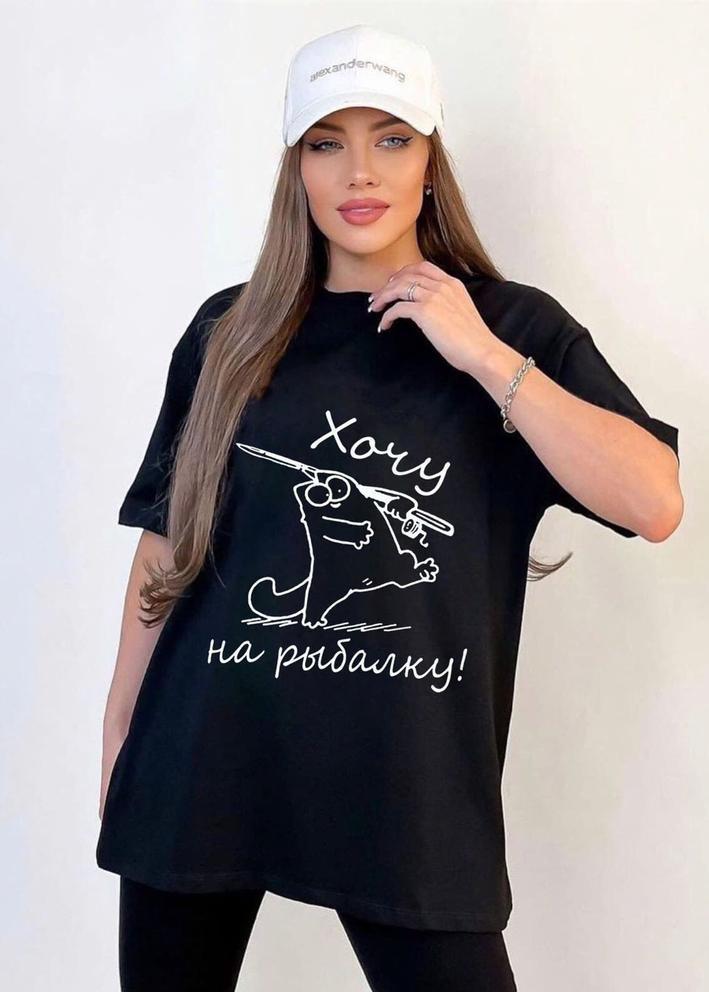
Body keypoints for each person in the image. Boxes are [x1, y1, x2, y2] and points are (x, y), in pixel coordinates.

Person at [96, 23, 683, 992]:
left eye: (392, 138)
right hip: (196, 767)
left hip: (410, 795)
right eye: (327, 142)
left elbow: (653, 500)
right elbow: (168, 545)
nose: (359, 171)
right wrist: (120, 735)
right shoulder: (227, 332)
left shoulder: (513, 327)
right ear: (295, 168)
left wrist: (480, 353)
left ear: (429, 161)